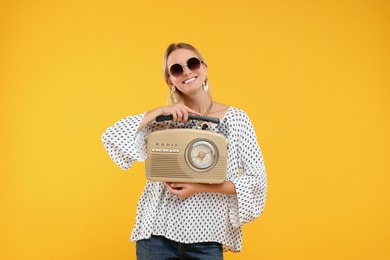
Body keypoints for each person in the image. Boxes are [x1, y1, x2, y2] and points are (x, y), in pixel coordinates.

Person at [101, 43, 267, 259]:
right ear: (170, 81)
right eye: (177, 69)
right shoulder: (163, 120)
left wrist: (198, 187)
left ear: (204, 68)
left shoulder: (237, 120)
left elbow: (257, 181)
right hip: (156, 233)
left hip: (207, 235)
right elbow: (112, 136)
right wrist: (159, 111)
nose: (187, 71)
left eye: (192, 63)